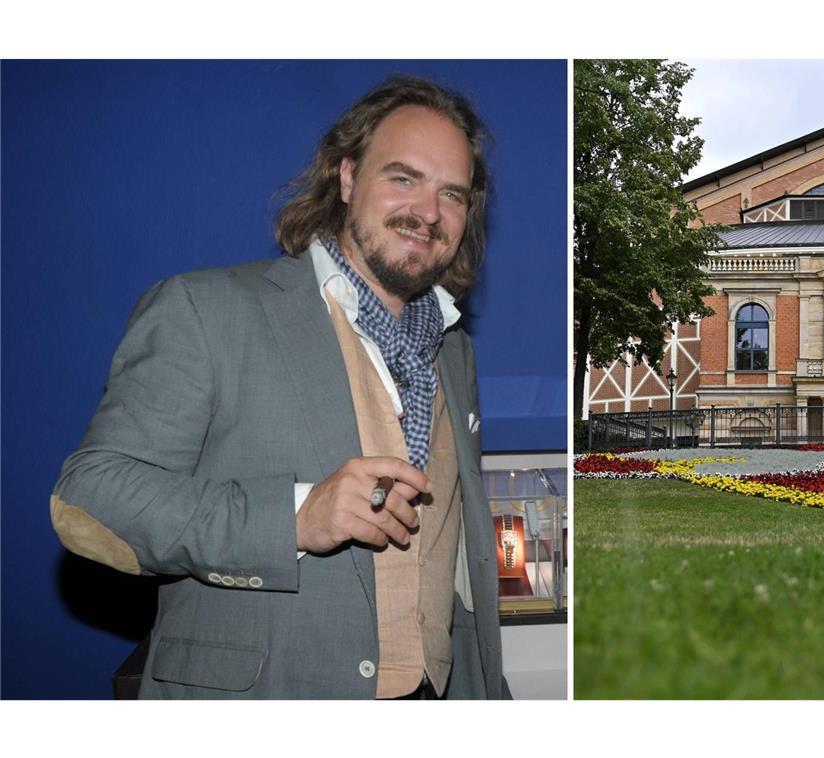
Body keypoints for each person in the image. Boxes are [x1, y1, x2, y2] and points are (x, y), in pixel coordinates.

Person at [49, 76, 509, 699]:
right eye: (404, 178)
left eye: (451, 193)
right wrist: (296, 516)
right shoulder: (206, 310)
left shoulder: (452, 350)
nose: (428, 212)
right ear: (347, 177)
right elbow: (90, 497)